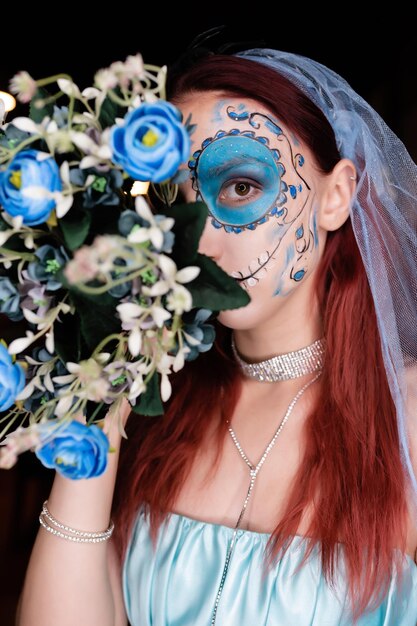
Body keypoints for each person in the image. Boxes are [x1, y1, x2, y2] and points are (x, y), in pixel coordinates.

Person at [16, 46, 417, 626]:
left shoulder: (405, 417)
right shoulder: (155, 410)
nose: (198, 242)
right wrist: (98, 412)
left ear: (336, 195)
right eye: (176, 200)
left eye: (240, 187)